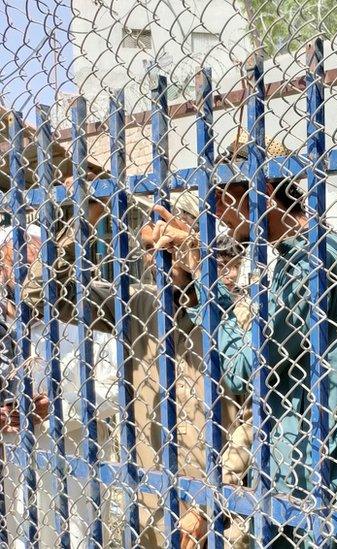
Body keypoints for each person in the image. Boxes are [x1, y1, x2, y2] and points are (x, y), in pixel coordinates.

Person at [145, 176, 337, 548]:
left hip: (307, 487)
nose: (218, 213)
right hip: (321, 475)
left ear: (264, 194)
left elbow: (242, 369)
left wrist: (204, 274)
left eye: (224, 198)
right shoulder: (326, 251)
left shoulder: (309, 264)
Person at [0, 196, 241, 548]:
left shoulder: (238, 315)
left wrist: (210, 504)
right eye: (148, 246)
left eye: (168, 242)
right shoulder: (137, 304)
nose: (155, 254)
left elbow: (256, 417)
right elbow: (40, 297)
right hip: (152, 501)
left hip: (224, 507)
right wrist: (83, 217)